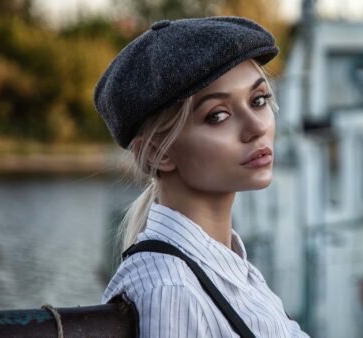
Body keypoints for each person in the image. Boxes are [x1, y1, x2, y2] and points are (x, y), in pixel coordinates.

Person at [94, 16, 309, 337]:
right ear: (157, 153)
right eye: (218, 115)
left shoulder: (227, 266)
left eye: (259, 100)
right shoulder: (171, 290)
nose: (257, 127)